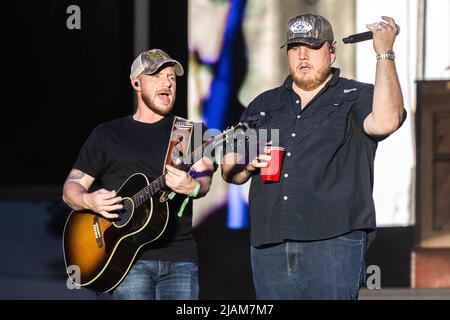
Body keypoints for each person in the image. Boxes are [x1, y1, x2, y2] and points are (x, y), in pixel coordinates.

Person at [221, 13, 406, 299]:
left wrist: (384, 53)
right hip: (269, 243)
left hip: (334, 240)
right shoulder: (264, 104)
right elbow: (229, 169)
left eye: (312, 46)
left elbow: (387, 120)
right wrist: (246, 161)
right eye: (295, 48)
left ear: (332, 51)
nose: (302, 56)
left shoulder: (354, 95)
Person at [62, 49, 215, 300]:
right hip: (125, 260)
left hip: (179, 257)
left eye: (172, 78)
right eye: (156, 75)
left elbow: (205, 178)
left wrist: (194, 187)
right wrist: (89, 200)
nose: (167, 82)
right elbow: (71, 189)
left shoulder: (189, 132)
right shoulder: (107, 135)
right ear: (136, 83)